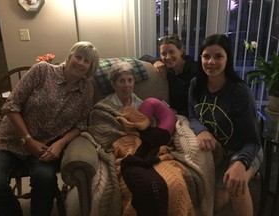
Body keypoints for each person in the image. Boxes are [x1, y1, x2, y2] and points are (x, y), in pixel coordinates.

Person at [0, 41, 100, 216]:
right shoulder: (42, 70)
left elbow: (81, 124)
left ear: (90, 68)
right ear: (70, 56)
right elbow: (11, 106)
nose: (80, 63)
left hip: (45, 148)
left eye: (86, 61)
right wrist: (27, 139)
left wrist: (61, 143)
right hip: (9, 141)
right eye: (78, 57)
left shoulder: (87, 90)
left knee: (46, 180)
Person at [86, 61, 196, 216]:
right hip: (126, 155)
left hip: (151, 151)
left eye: (130, 80)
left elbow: (154, 132)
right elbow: (101, 132)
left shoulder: (143, 105)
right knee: (148, 186)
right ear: (113, 84)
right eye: (121, 81)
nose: (127, 85)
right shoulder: (103, 107)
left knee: (175, 182)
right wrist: (130, 134)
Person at [188, 34, 263, 216]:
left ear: (227, 59)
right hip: (217, 153)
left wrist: (240, 163)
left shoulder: (239, 92)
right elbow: (192, 116)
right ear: (200, 58)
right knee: (213, 206)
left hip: (245, 148)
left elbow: (253, 141)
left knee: (236, 184)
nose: (211, 62)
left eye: (218, 56)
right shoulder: (196, 84)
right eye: (206, 56)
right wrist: (202, 131)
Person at [140, 34, 198, 116]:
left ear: (181, 51)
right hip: (170, 112)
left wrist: (177, 112)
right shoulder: (166, 66)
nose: (168, 57)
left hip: (191, 116)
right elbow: (144, 57)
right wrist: (155, 61)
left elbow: (192, 101)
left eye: (172, 52)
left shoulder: (195, 69)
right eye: (164, 53)